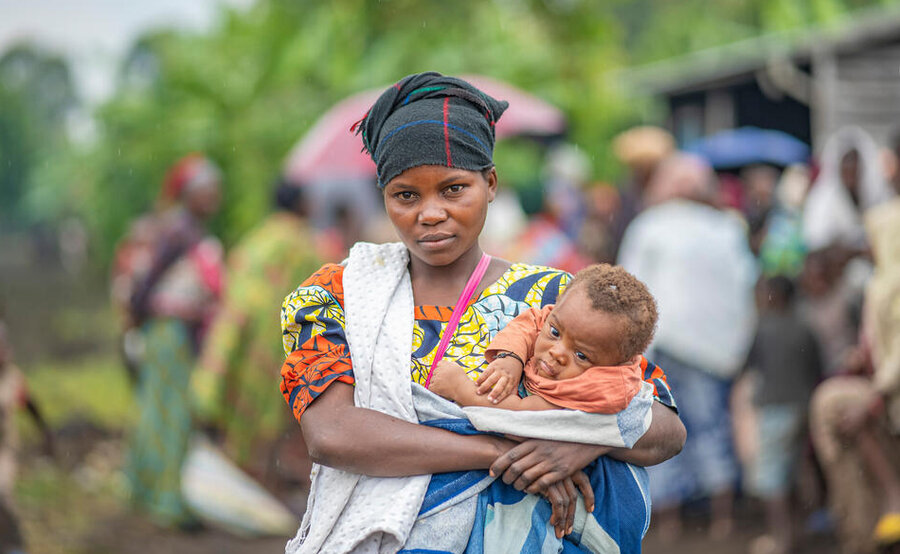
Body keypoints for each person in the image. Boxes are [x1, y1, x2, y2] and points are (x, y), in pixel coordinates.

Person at [279, 72, 685, 553]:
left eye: (453, 189)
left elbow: (663, 427)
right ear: (384, 195)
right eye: (406, 194)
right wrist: (505, 451)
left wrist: (582, 440)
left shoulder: (555, 298)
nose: (430, 213)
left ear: (490, 183)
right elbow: (333, 434)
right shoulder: (336, 296)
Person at [618, 152, 758, 541]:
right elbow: (744, 287)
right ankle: (722, 520)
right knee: (712, 426)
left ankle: (667, 523)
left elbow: (628, 288)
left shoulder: (649, 225)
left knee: (656, 428)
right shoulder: (726, 227)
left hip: (660, 343)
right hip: (714, 350)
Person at [193, 181, 323, 480]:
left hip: (237, 325)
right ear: (301, 204)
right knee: (263, 405)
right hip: (268, 334)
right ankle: (253, 474)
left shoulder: (259, 236)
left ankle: (232, 468)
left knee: (236, 396)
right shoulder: (302, 242)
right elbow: (318, 289)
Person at [125, 153, 224, 528]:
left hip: (171, 329)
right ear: (189, 194)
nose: (215, 196)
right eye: (208, 190)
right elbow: (150, 277)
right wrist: (138, 313)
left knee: (157, 406)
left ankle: (145, 489)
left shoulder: (186, 228)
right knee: (172, 412)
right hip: (168, 329)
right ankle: (167, 500)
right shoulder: (180, 230)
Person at [809, 145, 900, 553]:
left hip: (892, 391)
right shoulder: (880, 283)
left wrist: (877, 394)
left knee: (841, 408)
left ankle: (885, 501)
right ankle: (858, 523)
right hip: (886, 386)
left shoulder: (889, 285)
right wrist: (862, 358)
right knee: (833, 404)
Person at [428, 263, 657, 416]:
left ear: (615, 364)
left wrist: (459, 388)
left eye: (581, 355)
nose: (557, 352)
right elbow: (534, 322)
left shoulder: (597, 389)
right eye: (555, 333)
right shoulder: (566, 321)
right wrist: (511, 358)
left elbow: (518, 415)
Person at [744, 276, 823, 554]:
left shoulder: (764, 328)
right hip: (803, 407)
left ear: (774, 296)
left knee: (772, 477)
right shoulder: (805, 327)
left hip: (775, 408)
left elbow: (747, 365)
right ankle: (800, 533)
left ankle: (781, 540)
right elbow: (817, 369)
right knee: (796, 471)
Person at [0, 319, 53, 554]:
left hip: (5, 449)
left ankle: (14, 545)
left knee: (2, 493)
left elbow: (31, 407)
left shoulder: (12, 379)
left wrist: (46, 436)